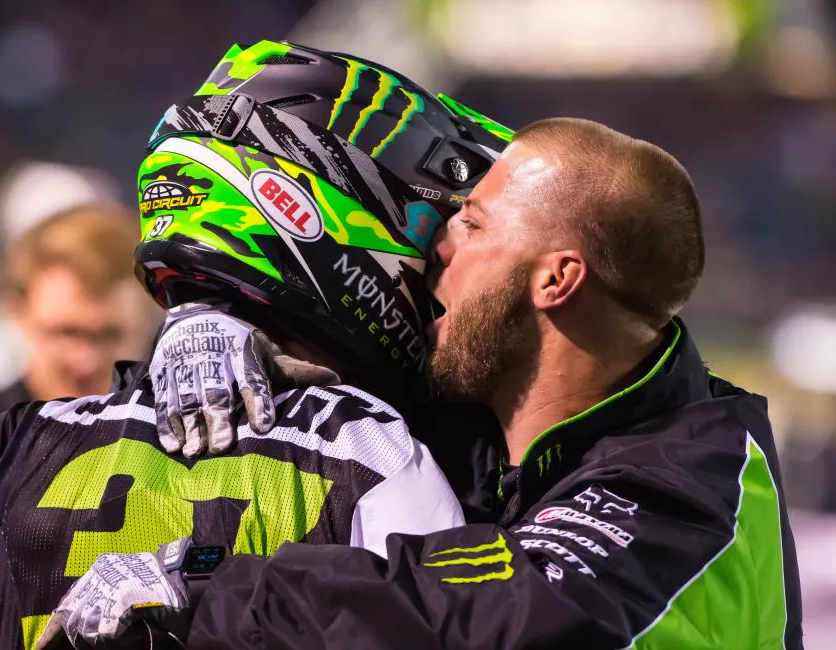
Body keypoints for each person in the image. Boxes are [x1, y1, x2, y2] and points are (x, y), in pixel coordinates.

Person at [60, 118, 803, 648]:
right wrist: (208, 313)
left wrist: (207, 591)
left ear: (554, 279)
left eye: (472, 226)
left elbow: (499, 610)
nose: (434, 245)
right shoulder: (503, 417)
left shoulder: (700, 472)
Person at [0, 40, 512, 650]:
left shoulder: (15, 441)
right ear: (310, 205)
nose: (444, 262)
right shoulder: (387, 451)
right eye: (433, 228)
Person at [0, 202, 158, 455]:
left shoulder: (178, 447)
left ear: (148, 325)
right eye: (67, 332)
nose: (86, 361)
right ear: (17, 314)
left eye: (109, 335)